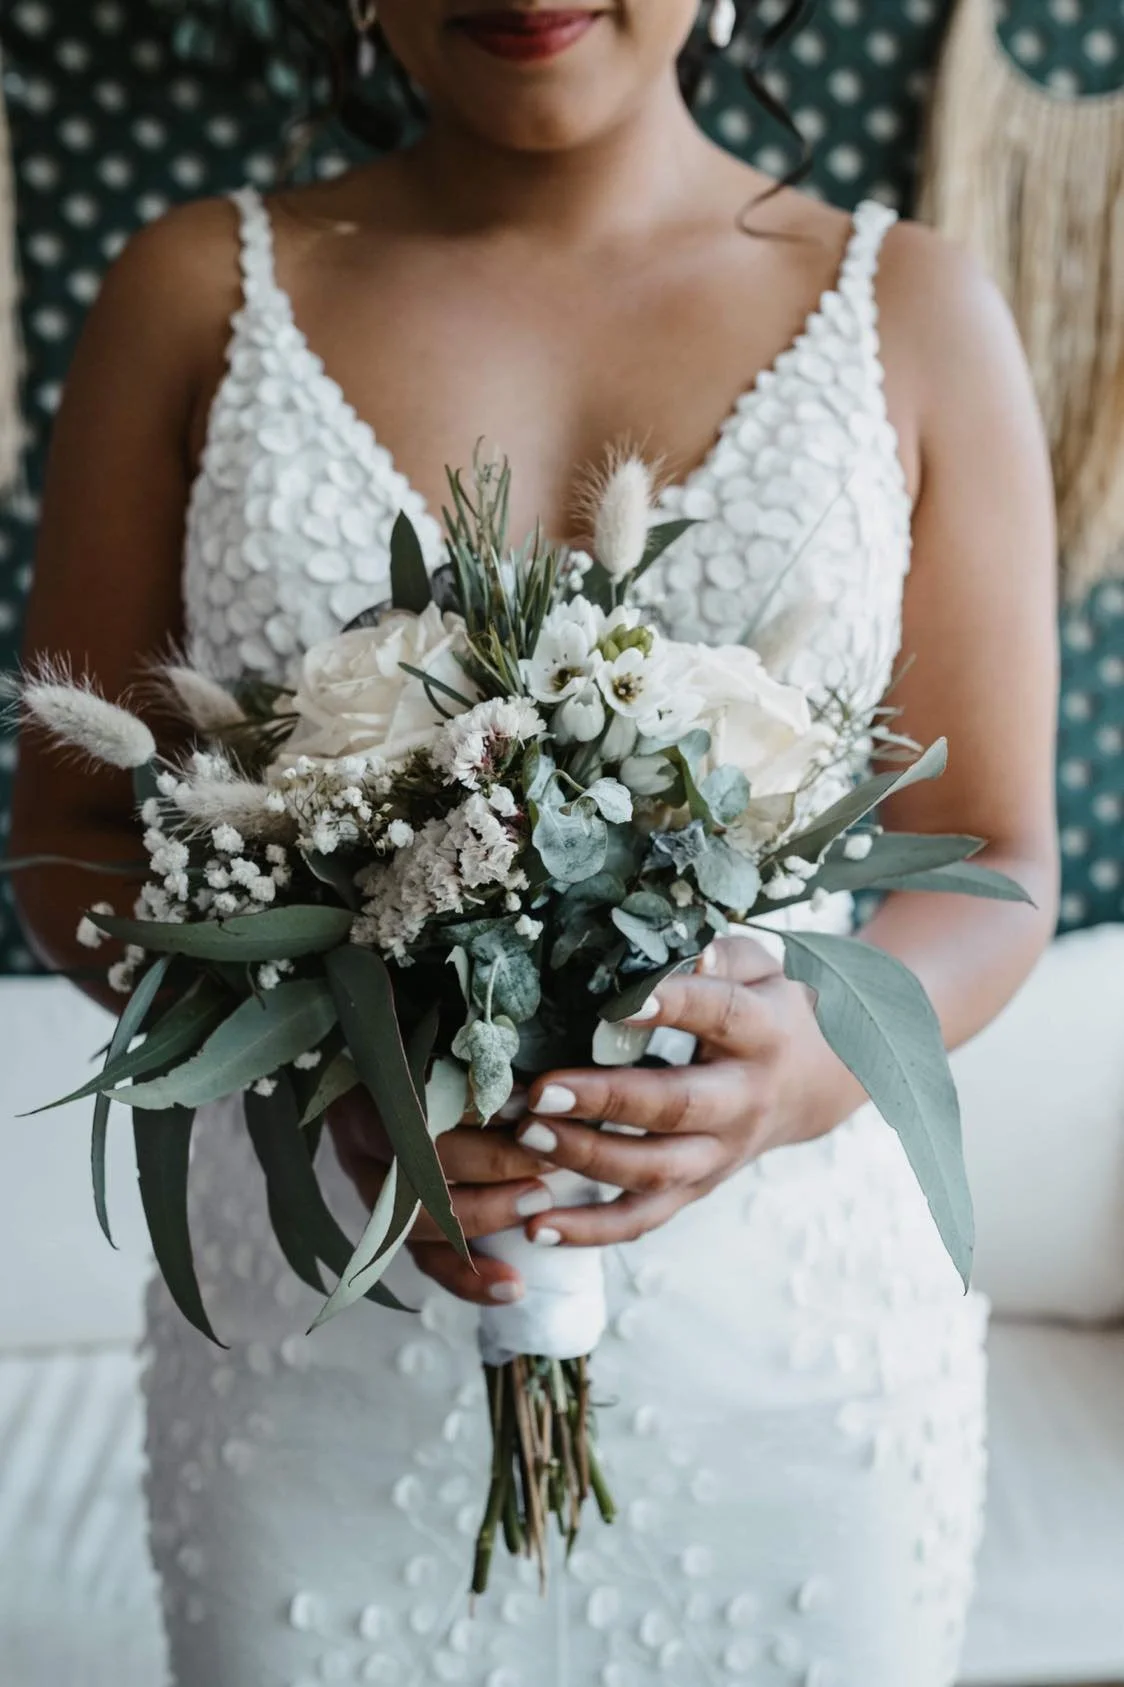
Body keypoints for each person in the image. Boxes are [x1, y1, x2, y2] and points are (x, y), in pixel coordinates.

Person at [11, 3, 1059, 1682]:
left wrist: (799, 1071)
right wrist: (308, 1064)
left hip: (793, 1356)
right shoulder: (192, 291)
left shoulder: (924, 308)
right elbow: (65, 832)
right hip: (323, 1337)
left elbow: (998, 853)